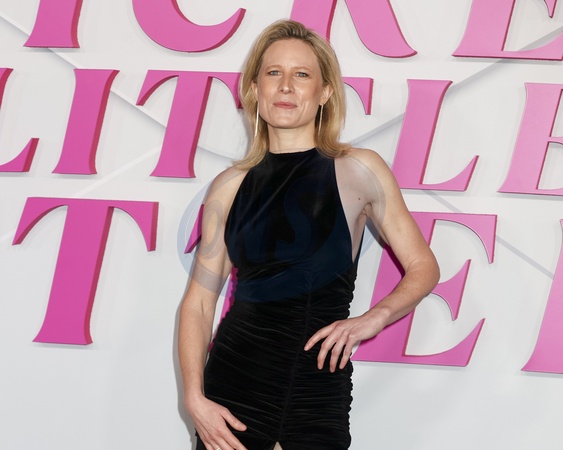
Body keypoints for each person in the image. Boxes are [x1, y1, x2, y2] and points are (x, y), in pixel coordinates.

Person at [178, 19, 440, 450]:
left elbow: (423, 266)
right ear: (255, 89)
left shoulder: (360, 169)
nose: (285, 86)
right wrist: (194, 398)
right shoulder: (229, 186)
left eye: (301, 74)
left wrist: (373, 319)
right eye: (273, 72)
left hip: (318, 390)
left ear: (325, 92)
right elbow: (199, 303)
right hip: (234, 385)